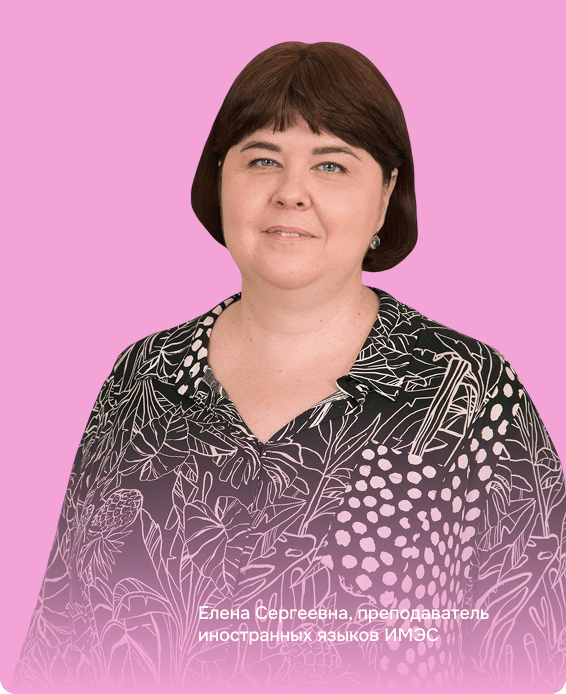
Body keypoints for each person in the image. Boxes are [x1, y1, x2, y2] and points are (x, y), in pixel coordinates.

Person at [14, 42, 566, 694]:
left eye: (331, 164)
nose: (290, 193)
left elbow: (537, 654)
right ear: (220, 179)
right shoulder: (143, 377)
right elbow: (64, 638)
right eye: (263, 159)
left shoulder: (468, 394)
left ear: (386, 195)